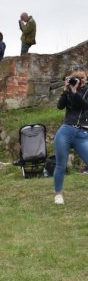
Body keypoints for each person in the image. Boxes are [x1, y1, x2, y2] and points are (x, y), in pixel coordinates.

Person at [52, 67, 88, 205]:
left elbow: (84, 106)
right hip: (66, 131)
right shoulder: (69, 90)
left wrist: (74, 92)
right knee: (60, 165)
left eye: (82, 77)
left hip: (82, 133)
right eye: (77, 77)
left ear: (86, 78)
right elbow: (60, 106)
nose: (80, 80)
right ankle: (58, 194)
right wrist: (65, 90)